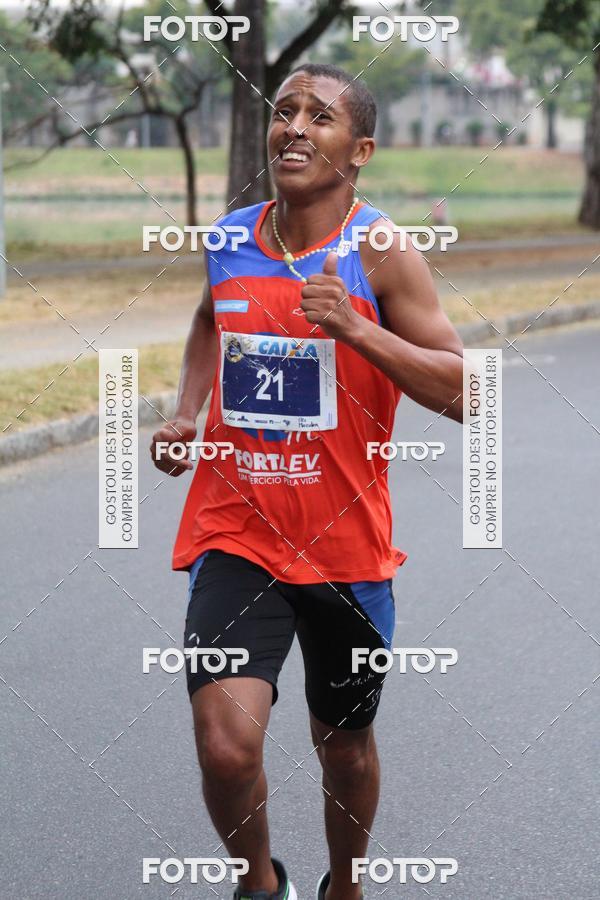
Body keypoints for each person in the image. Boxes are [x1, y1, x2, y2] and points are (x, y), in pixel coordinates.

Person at [151, 62, 463, 900]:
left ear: (357, 150)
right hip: (236, 530)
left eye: (318, 117)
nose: (293, 126)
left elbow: (467, 393)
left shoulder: (383, 250)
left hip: (346, 548)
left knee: (346, 743)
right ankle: (259, 884)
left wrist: (358, 329)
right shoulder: (228, 240)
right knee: (224, 744)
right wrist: (188, 413)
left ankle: (347, 887)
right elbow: (209, 321)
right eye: (282, 111)